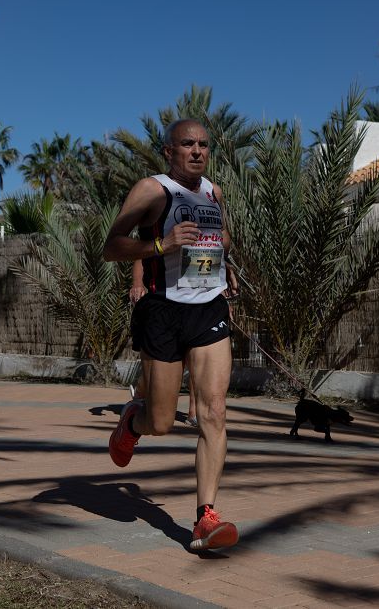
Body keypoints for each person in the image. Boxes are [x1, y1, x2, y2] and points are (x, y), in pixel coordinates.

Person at [104, 118, 240, 552]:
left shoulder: (214, 192)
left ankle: (206, 519)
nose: (197, 151)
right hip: (162, 312)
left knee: (213, 413)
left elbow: (219, 238)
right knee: (161, 421)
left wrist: (226, 268)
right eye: (187, 144)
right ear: (169, 150)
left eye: (203, 144)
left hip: (208, 310)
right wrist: (161, 246)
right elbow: (112, 246)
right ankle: (133, 420)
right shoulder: (151, 190)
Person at [130, 259, 198, 427]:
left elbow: (218, 250)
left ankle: (194, 412)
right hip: (163, 304)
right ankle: (140, 394)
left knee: (196, 362)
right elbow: (141, 253)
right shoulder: (160, 234)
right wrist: (137, 283)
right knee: (159, 422)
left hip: (199, 306)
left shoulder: (209, 234)